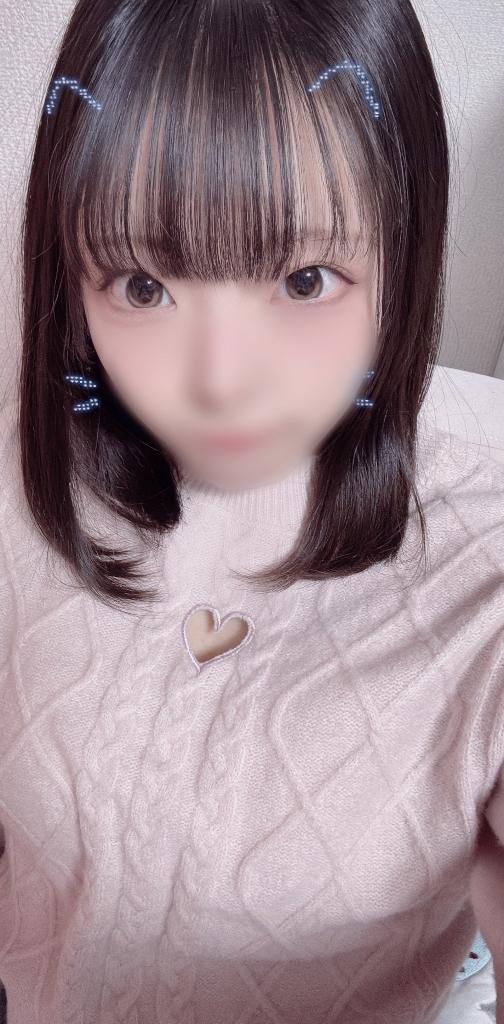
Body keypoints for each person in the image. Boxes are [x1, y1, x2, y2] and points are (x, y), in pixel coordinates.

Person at [0, 0, 503, 1022]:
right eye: (143, 284)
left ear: (403, 252)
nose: (218, 383)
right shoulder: (20, 465)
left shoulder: (485, 561)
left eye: (304, 279)